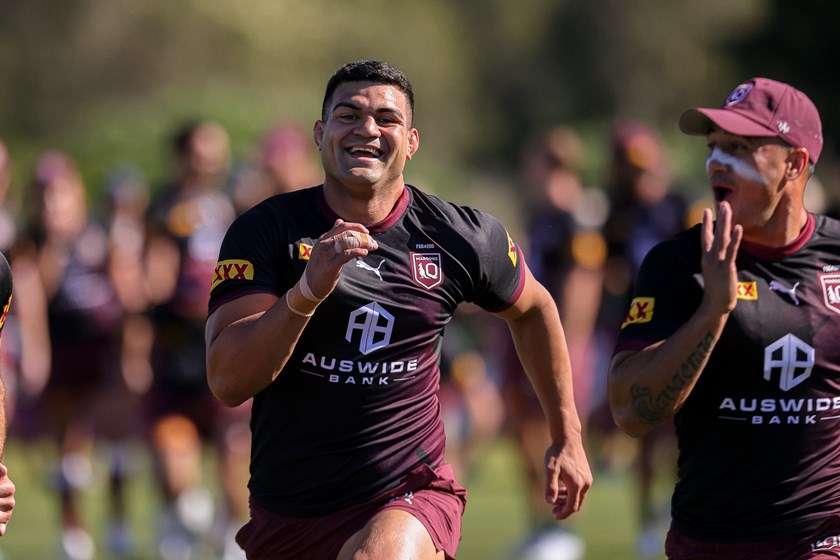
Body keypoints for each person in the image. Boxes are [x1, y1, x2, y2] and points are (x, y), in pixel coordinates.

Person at [205, 59, 592, 560]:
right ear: (321, 134)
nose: (367, 128)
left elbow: (535, 309)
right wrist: (305, 293)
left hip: (408, 492)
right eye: (348, 115)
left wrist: (568, 435)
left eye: (386, 119)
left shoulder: (460, 235)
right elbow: (229, 380)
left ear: (410, 142)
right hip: (291, 509)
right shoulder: (264, 231)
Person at [608, 77, 840, 560]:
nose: (717, 161)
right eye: (715, 147)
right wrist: (712, 312)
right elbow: (631, 411)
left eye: (741, 147)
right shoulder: (676, 263)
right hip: (708, 538)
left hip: (818, 535)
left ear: (794, 164)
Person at [501, 126, 606, 560]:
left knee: (557, 431)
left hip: (557, 341)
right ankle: (540, 524)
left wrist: (568, 345)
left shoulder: (575, 213)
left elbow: (584, 283)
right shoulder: (542, 212)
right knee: (523, 431)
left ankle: (564, 531)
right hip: (526, 336)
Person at [143, 120, 244, 559]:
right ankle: (194, 523)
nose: (210, 161)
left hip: (227, 344)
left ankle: (232, 544)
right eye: (202, 151)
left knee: (236, 467)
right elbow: (150, 284)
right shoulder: (162, 211)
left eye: (217, 151)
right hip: (177, 354)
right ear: (182, 156)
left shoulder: (234, 205)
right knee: (174, 470)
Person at [594, 120, 688, 557]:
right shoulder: (618, 214)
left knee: (681, 435)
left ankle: (677, 511)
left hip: (683, 328)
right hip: (636, 328)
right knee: (644, 431)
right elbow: (609, 272)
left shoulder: (680, 206)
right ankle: (646, 522)